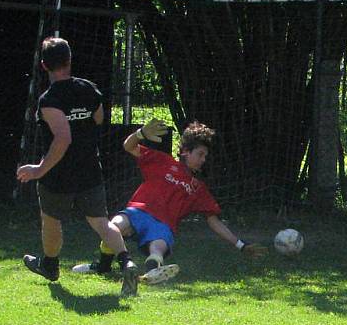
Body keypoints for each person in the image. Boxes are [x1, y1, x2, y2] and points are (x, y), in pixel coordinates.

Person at [73, 119, 266, 293]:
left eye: (205, 156)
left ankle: (152, 271)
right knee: (113, 226)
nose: (203, 160)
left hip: (163, 226)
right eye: (200, 154)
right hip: (137, 211)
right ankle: (103, 266)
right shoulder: (162, 161)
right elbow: (128, 146)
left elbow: (214, 221)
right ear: (185, 152)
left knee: (157, 249)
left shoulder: (198, 188)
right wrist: (140, 133)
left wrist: (241, 245)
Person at [17, 37, 138, 296]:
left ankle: (50, 266)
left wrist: (39, 169)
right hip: (89, 170)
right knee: (101, 223)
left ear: (43, 65)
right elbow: (98, 119)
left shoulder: (49, 100)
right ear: (69, 61)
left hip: (59, 175)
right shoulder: (89, 89)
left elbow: (63, 138)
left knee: (51, 220)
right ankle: (126, 260)